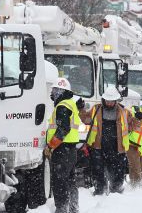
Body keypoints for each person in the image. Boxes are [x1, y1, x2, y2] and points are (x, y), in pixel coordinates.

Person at [80, 86, 138, 195]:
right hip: (98, 147)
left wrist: (138, 118)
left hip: (117, 149)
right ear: (104, 100)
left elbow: (133, 126)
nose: (109, 103)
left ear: (116, 100)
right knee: (98, 172)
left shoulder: (124, 112)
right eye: (107, 101)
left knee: (117, 173)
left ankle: (116, 192)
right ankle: (100, 192)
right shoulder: (96, 109)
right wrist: (81, 109)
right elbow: (85, 119)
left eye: (112, 101)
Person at [44, 77, 85, 213]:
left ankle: (61, 209)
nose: (53, 93)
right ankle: (73, 208)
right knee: (70, 180)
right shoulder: (70, 104)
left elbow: (63, 129)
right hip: (71, 150)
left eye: (55, 90)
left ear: (61, 91)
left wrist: (50, 146)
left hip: (62, 149)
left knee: (60, 181)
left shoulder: (62, 106)